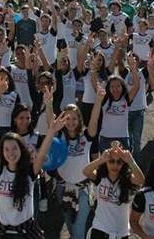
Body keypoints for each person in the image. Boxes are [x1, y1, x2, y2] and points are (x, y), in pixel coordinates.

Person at [0, 106, 67, 238]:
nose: (11, 153)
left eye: (14, 148)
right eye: (6, 149)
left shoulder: (30, 171)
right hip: (3, 231)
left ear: (21, 150)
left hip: (26, 231)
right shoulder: (0, 170)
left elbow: (42, 155)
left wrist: (51, 131)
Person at [55, 90, 103, 239]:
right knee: (69, 222)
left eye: (74, 118)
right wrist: (49, 104)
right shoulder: (59, 135)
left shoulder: (86, 137)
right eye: (67, 118)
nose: (71, 122)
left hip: (83, 190)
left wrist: (99, 100)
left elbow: (94, 121)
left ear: (79, 119)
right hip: (62, 187)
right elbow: (50, 121)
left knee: (78, 228)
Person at [82, 141, 145, 238]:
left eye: (119, 162)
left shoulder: (127, 178)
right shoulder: (100, 176)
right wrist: (101, 159)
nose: (115, 165)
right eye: (111, 161)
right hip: (100, 228)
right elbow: (86, 172)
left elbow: (140, 180)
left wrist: (131, 162)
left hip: (121, 232)